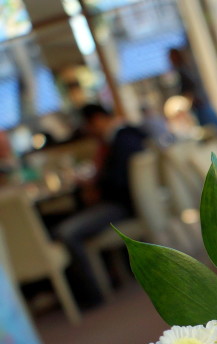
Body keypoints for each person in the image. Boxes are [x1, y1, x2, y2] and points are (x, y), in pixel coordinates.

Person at [54, 104, 148, 308]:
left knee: (67, 232)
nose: (89, 131)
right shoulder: (128, 135)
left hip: (121, 206)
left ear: (97, 120)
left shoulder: (122, 140)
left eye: (89, 125)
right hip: (126, 203)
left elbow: (119, 182)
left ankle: (93, 293)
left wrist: (95, 183)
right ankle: (110, 275)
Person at [168, 46, 217, 135]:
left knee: (213, 130)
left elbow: (190, 88)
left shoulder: (184, 70)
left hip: (200, 103)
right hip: (200, 103)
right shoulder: (186, 68)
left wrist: (189, 99)